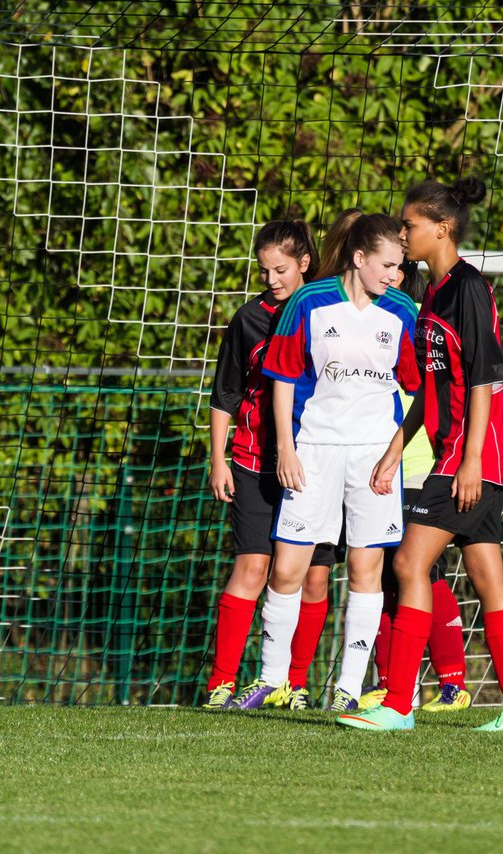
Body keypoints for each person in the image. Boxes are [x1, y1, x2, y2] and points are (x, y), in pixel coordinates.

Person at [338, 177, 503, 733]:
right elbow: (431, 391)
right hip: (455, 451)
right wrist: (394, 451)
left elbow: (484, 380)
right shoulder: (433, 292)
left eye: (410, 225)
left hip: (473, 454)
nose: (402, 235)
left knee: (408, 563)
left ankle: (398, 705)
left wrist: (471, 460)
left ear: (442, 228)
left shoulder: (469, 288)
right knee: (485, 574)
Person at [228, 213, 421, 712]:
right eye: (387, 264)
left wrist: (394, 452)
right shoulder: (308, 302)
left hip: (374, 457)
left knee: (365, 565)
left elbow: (422, 390)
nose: (395, 274)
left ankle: (349, 688)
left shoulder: (401, 309)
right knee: (288, 567)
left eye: (399, 265)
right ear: (359, 259)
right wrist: (287, 449)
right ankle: (272, 680)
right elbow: (283, 377)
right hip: (312, 451)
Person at [202, 220, 338, 711]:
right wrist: (218, 460)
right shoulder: (249, 320)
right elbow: (225, 396)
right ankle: (222, 682)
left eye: (280, 269)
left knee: (313, 577)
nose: (271, 279)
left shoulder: (330, 311)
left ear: (304, 263)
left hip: (319, 463)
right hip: (254, 462)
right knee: (253, 566)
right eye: (264, 270)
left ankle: (294, 684)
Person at [360, 259, 472, 713]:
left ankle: (452, 683)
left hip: (419, 470)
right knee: (388, 578)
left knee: (422, 573)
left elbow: (453, 389)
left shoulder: (418, 335)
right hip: (381, 471)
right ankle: (393, 684)